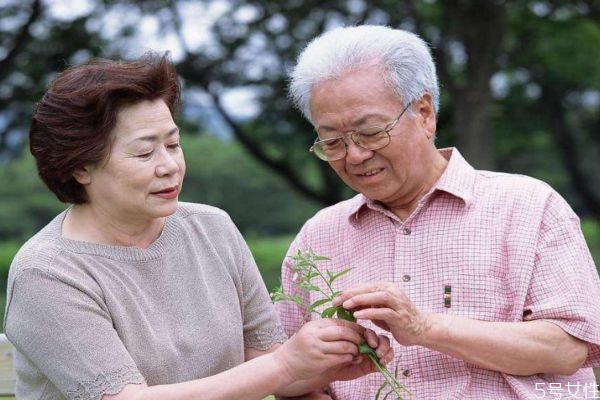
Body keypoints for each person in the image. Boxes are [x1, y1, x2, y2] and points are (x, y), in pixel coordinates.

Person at [3, 53, 394, 400]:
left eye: (172, 145)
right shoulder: (48, 273)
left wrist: (324, 363)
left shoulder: (212, 228)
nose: (170, 165)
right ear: (79, 167)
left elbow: (265, 362)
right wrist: (287, 366)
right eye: (144, 152)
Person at [276, 24, 600, 399]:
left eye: (370, 132)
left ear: (425, 113)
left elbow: (569, 349)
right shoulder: (318, 236)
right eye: (332, 141)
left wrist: (424, 327)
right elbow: (287, 373)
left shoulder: (528, 206)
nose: (355, 156)